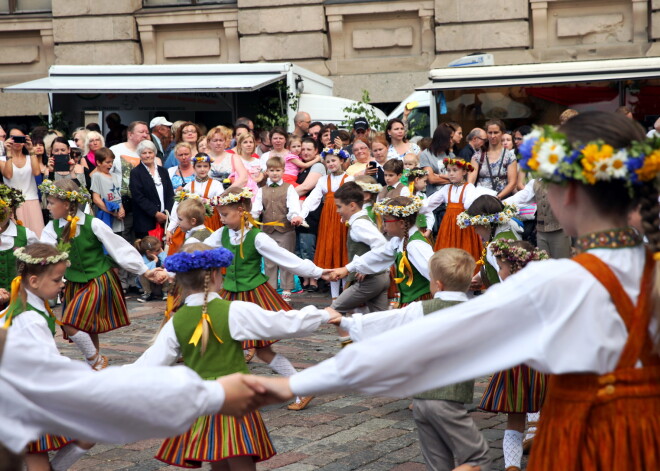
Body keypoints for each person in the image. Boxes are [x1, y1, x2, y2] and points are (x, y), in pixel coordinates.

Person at [260, 110, 660, 471]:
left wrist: (294, 382)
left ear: (568, 194)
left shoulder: (556, 282)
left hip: (587, 442)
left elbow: (436, 333)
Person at [133, 243, 338, 468]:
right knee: (241, 460)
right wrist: (322, 314)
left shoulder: (176, 321)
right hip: (234, 397)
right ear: (213, 275)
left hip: (201, 400)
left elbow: (148, 365)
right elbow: (282, 323)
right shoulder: (234, 311)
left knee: (217, 460)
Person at [332, 249, 491, 471]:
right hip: (449, 400)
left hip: (421, 401)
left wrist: (347, 323)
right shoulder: (475, 312)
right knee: (479, 457)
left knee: (436, 461)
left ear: (438, 284)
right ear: (468, 283)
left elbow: (386, 319)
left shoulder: (421, 309)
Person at [203, 187, 325, 411]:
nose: (220, 219)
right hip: (229, 295)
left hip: (253, 296)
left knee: (262, 350)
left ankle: (301, 389)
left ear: (241, 211)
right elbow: (199, 250)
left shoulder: (257, 237)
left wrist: (318, 272)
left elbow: (287, 258)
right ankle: (229, 391)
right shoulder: (222, 234)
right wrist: (172, 266)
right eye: (219, 214)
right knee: (225, 343)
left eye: (225, 214)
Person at [39, 178, 166, 369]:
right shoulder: (51, 228)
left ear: (66, 204)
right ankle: (95, 367)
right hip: (74, 282)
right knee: (88, 326)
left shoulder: (93, 224)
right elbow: (46, 255)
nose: (48, 207)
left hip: (98, 278)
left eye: (51, 202)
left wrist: (145, 271)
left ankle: (95, 361)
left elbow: (119, 248)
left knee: (69, 322)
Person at [1, 243, 94, 471]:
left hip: (21, 392)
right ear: (34, 281)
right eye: (57, 280)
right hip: (24, 397)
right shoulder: (30, 318)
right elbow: (50, 363)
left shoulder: (25, 305)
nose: (63, 284)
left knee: (37, 456)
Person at [478, 239, 549, 471]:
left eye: (501, 267)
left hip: (515, 367)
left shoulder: (505, 297)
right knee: (546, 409)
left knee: (515, 418)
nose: (499, 272)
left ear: (514, 269)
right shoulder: (543, 293)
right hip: (543, 364)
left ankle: (512, 467)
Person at [329, 196, 434, 307]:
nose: (383, 225)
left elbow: (434, 273)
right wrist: (347, 269)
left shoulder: (415, 245)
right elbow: (377, 255)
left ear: (402, 223)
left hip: (420, 303)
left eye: (386, 221)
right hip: (410, 302)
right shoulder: (398, 241)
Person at [329, 182, 389, 347]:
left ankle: (350, 349)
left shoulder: (359, 224)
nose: (337, 210)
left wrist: (365, 268)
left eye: (339, 207)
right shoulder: (361, 219)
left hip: (371, 280)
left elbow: (382, 245)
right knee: (382, 322)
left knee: (334, 310)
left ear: (352, 206)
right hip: (381, 277)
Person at [300, 148, 353, 300]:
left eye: (334, 160)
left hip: (343, 220)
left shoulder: (349, 179)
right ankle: (335, 296)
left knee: (343, 252)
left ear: (342, 161)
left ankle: (345, 294)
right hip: (328, 221)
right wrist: (302, 214)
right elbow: (313, 199)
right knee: (331, 252)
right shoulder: (323, 180)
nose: (331, 164)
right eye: (328, 161)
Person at [251, 157, 304, 303]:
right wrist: (250, 219)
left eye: (278, 170)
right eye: (272, 170)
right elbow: (257, 209)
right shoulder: (262, 190)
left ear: (283, 171)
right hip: (267, 230)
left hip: (285, 229)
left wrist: (294, 216)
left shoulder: (289, 188)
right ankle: (271, 289)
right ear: (267, 172)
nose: (275, 173)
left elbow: (293, 206)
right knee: (269, 261)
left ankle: (287, 290)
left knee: (286, 259)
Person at [422, 158, 494, 263]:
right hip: (448, 227)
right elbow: (429, 203)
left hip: (464, 227)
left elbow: (469, 204)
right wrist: (414, 207)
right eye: (449, 170)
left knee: (465, 251)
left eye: (455, 170)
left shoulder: (469, 187)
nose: (451, 174)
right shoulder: (447, 188)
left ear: (464, 172)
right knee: (447, 252)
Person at [167, 153, 223, 255]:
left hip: (211, 220)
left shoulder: (216, 184)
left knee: (209, 246)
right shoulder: (188, 186)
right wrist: (170, 229)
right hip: (191, 221)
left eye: (205, 166)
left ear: (210, 167)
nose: (202, 169)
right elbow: (177, 207)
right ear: (193, 167)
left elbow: (221, 203)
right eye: (199, 166)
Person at [294, 138, 326, 292]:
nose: (305, 152)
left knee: (308, 246)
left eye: (309, 149)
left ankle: (313, 279)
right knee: (299, 248)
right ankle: (305, 278)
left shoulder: (318, 166)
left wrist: (284, 195)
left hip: (312, 212)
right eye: (303, 149)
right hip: (299, 211)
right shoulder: (300, 167)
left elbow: (306, 187)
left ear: (316, 151)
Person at [0, 128, 44, 237]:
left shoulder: (30, 157)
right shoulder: (2, 159)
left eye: (20, 138)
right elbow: (8, 174)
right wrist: (8, 152)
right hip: (13, 203)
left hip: (32, 200)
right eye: (14, 138)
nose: (17, 142)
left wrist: (31, 150)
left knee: (37, 235)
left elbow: (37, 172)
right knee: (17, 236)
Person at [0, 185, 38, 307]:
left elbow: (40, 265)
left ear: (11, 211)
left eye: (2, 210)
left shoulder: (26, 235)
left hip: (22, 299)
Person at [129, 140, 174, 239]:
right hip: (146, 221)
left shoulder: (163, 171)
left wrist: (167, 213)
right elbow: (138, 196)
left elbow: (170, 194)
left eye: (150, 152)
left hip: (166, 219)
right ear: (139, 155)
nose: (147, 155)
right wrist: (155, 213)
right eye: (144, 153)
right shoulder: (136, 173)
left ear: (155, 154)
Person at [469, 119, 518, 199]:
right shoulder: (477, 156)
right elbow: (471, 180)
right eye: (490, 132)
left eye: (496, 132)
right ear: (486, 133)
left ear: (502, 133)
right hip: (481, 199)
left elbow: (512, 182)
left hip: (502, 199)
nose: (492, 136)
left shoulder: (509, 156)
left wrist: (498, 197)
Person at [90, 147, 124, 235]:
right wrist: (112, 213)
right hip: (107, 217)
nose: (110, 165)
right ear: (98, 162)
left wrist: (121, 209)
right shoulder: (97, 176)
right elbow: (96, 199)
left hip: (118, 218)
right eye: (107, 162)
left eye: (112, 162)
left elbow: (118, 195)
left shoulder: (115, 176)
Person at [134, 235, 168, 303]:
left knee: (166, 269)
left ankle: (165, 292)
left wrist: (162, 254)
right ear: (148, 252)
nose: (160, 251)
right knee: (143, 272)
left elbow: (167, 263)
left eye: (160, 248)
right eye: (158, 250)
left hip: (161, 283)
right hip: (150, 285)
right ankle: (148, 293)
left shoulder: (160, 255)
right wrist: (154, 261)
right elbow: (148, 270)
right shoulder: (143, 259)